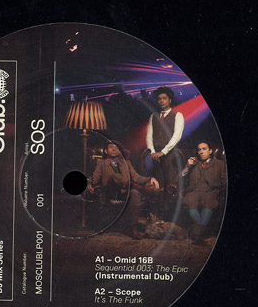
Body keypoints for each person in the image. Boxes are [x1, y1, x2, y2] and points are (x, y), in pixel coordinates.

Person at [87, 141, 152, 238]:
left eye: (116, 147)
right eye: (111, 147)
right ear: (106, 151)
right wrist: (89, 183)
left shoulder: (126, 163)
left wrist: (150, 179)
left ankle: (133, 227)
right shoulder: (102, 163)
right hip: (111, 191)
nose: (114, 149)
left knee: (134, 193)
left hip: (124, 192)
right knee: (115, 177)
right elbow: (94, 177)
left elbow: (136, 177)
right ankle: (140, 188)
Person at [145, 87, 185, 218]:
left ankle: (170, 218)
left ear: (170, 100)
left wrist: (163, 152)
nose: (161, 101)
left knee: (170, 185)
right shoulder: (153, 116)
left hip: (170, 155)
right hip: (155, 156)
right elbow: (149, 136)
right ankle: (158, 216)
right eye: (159, 99)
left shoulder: (177, 115)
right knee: (158, 185)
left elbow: (176, 136)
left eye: (164, 98)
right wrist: (152, 151)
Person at [180, 142, 226, 241]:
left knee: (209, 203)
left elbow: (225, 181)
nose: (201, 152)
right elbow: (178, 180)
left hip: (210, 191)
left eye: (204, 149)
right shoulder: (193, 164)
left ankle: (197, 233)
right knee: (190, 202)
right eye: (199, 150)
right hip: (193, 191)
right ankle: (200, 232)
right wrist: (187, 167)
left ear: (210, 151)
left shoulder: (219, 164)